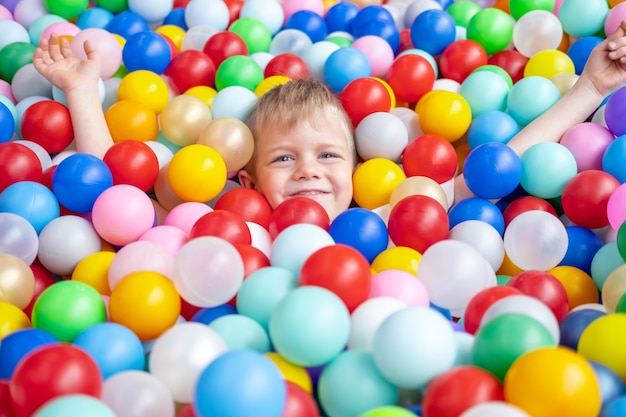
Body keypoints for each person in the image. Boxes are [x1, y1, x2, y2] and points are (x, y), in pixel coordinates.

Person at [33, 21, 626, 220]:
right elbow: (112, 199)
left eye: (328, 156)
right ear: (245, 179)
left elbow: (499, 168)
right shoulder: (223, 222)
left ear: (361, 167)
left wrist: (588, 90)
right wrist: (85, 93)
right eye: (284, 158)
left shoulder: (393, 213)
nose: (308, 172)